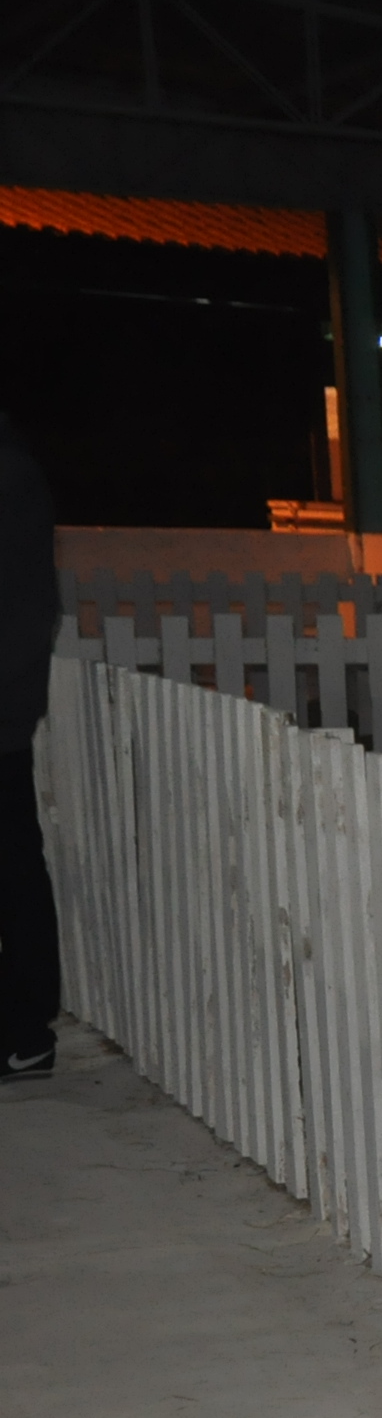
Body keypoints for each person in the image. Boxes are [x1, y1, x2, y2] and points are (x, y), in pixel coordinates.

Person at [0, 408, 59, 1083]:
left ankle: (25, 1030)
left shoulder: (10, 476)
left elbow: (22, 609)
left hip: (2, 718)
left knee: (13, 870)